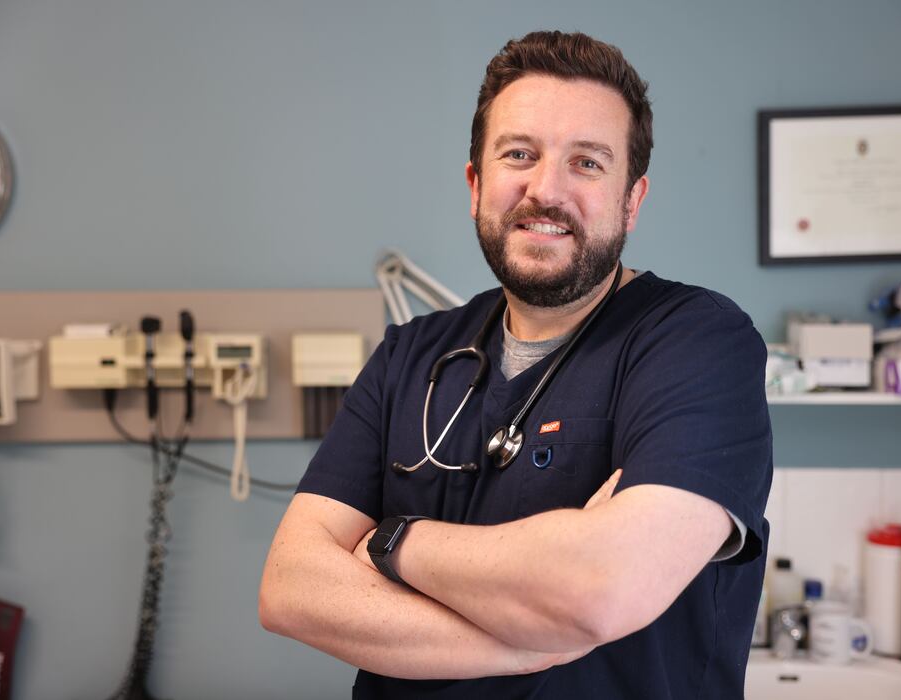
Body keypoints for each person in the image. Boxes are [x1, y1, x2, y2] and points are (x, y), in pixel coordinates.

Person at [260, 30, 773, 699]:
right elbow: (290, 588)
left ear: (632, 200)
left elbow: (602, 588)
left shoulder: (698, 344)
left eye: (587, 163)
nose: (545, 189)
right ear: (476, 183)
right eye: (519, 154)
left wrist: (394, 543)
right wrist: (529, 644)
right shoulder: (409, 355)